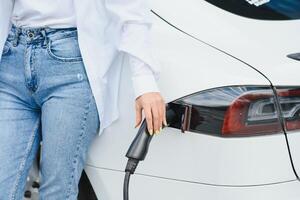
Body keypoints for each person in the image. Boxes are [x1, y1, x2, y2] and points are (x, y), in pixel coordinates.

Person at [0, 0, 166, 199]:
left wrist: (144, 81)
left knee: (58, 192)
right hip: (11, 59)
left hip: (70, 67)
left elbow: (131, 9)